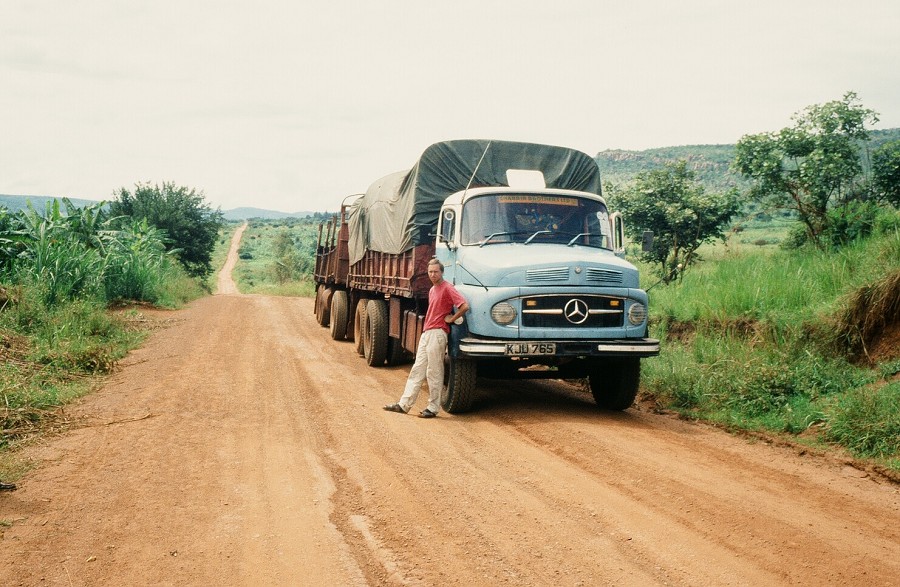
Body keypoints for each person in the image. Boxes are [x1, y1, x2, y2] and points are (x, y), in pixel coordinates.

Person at [383, 257, 469, 418]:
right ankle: (404, 404)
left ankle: (433, 407)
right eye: (430, 272)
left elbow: (464, 305)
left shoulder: (447, 288)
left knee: (434, 371)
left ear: (442, 272)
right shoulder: (432, 290)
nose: (433, 274)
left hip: (438, 333)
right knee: (417, 369)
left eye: (436, 271)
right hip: (427, 332)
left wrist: (451, 318)